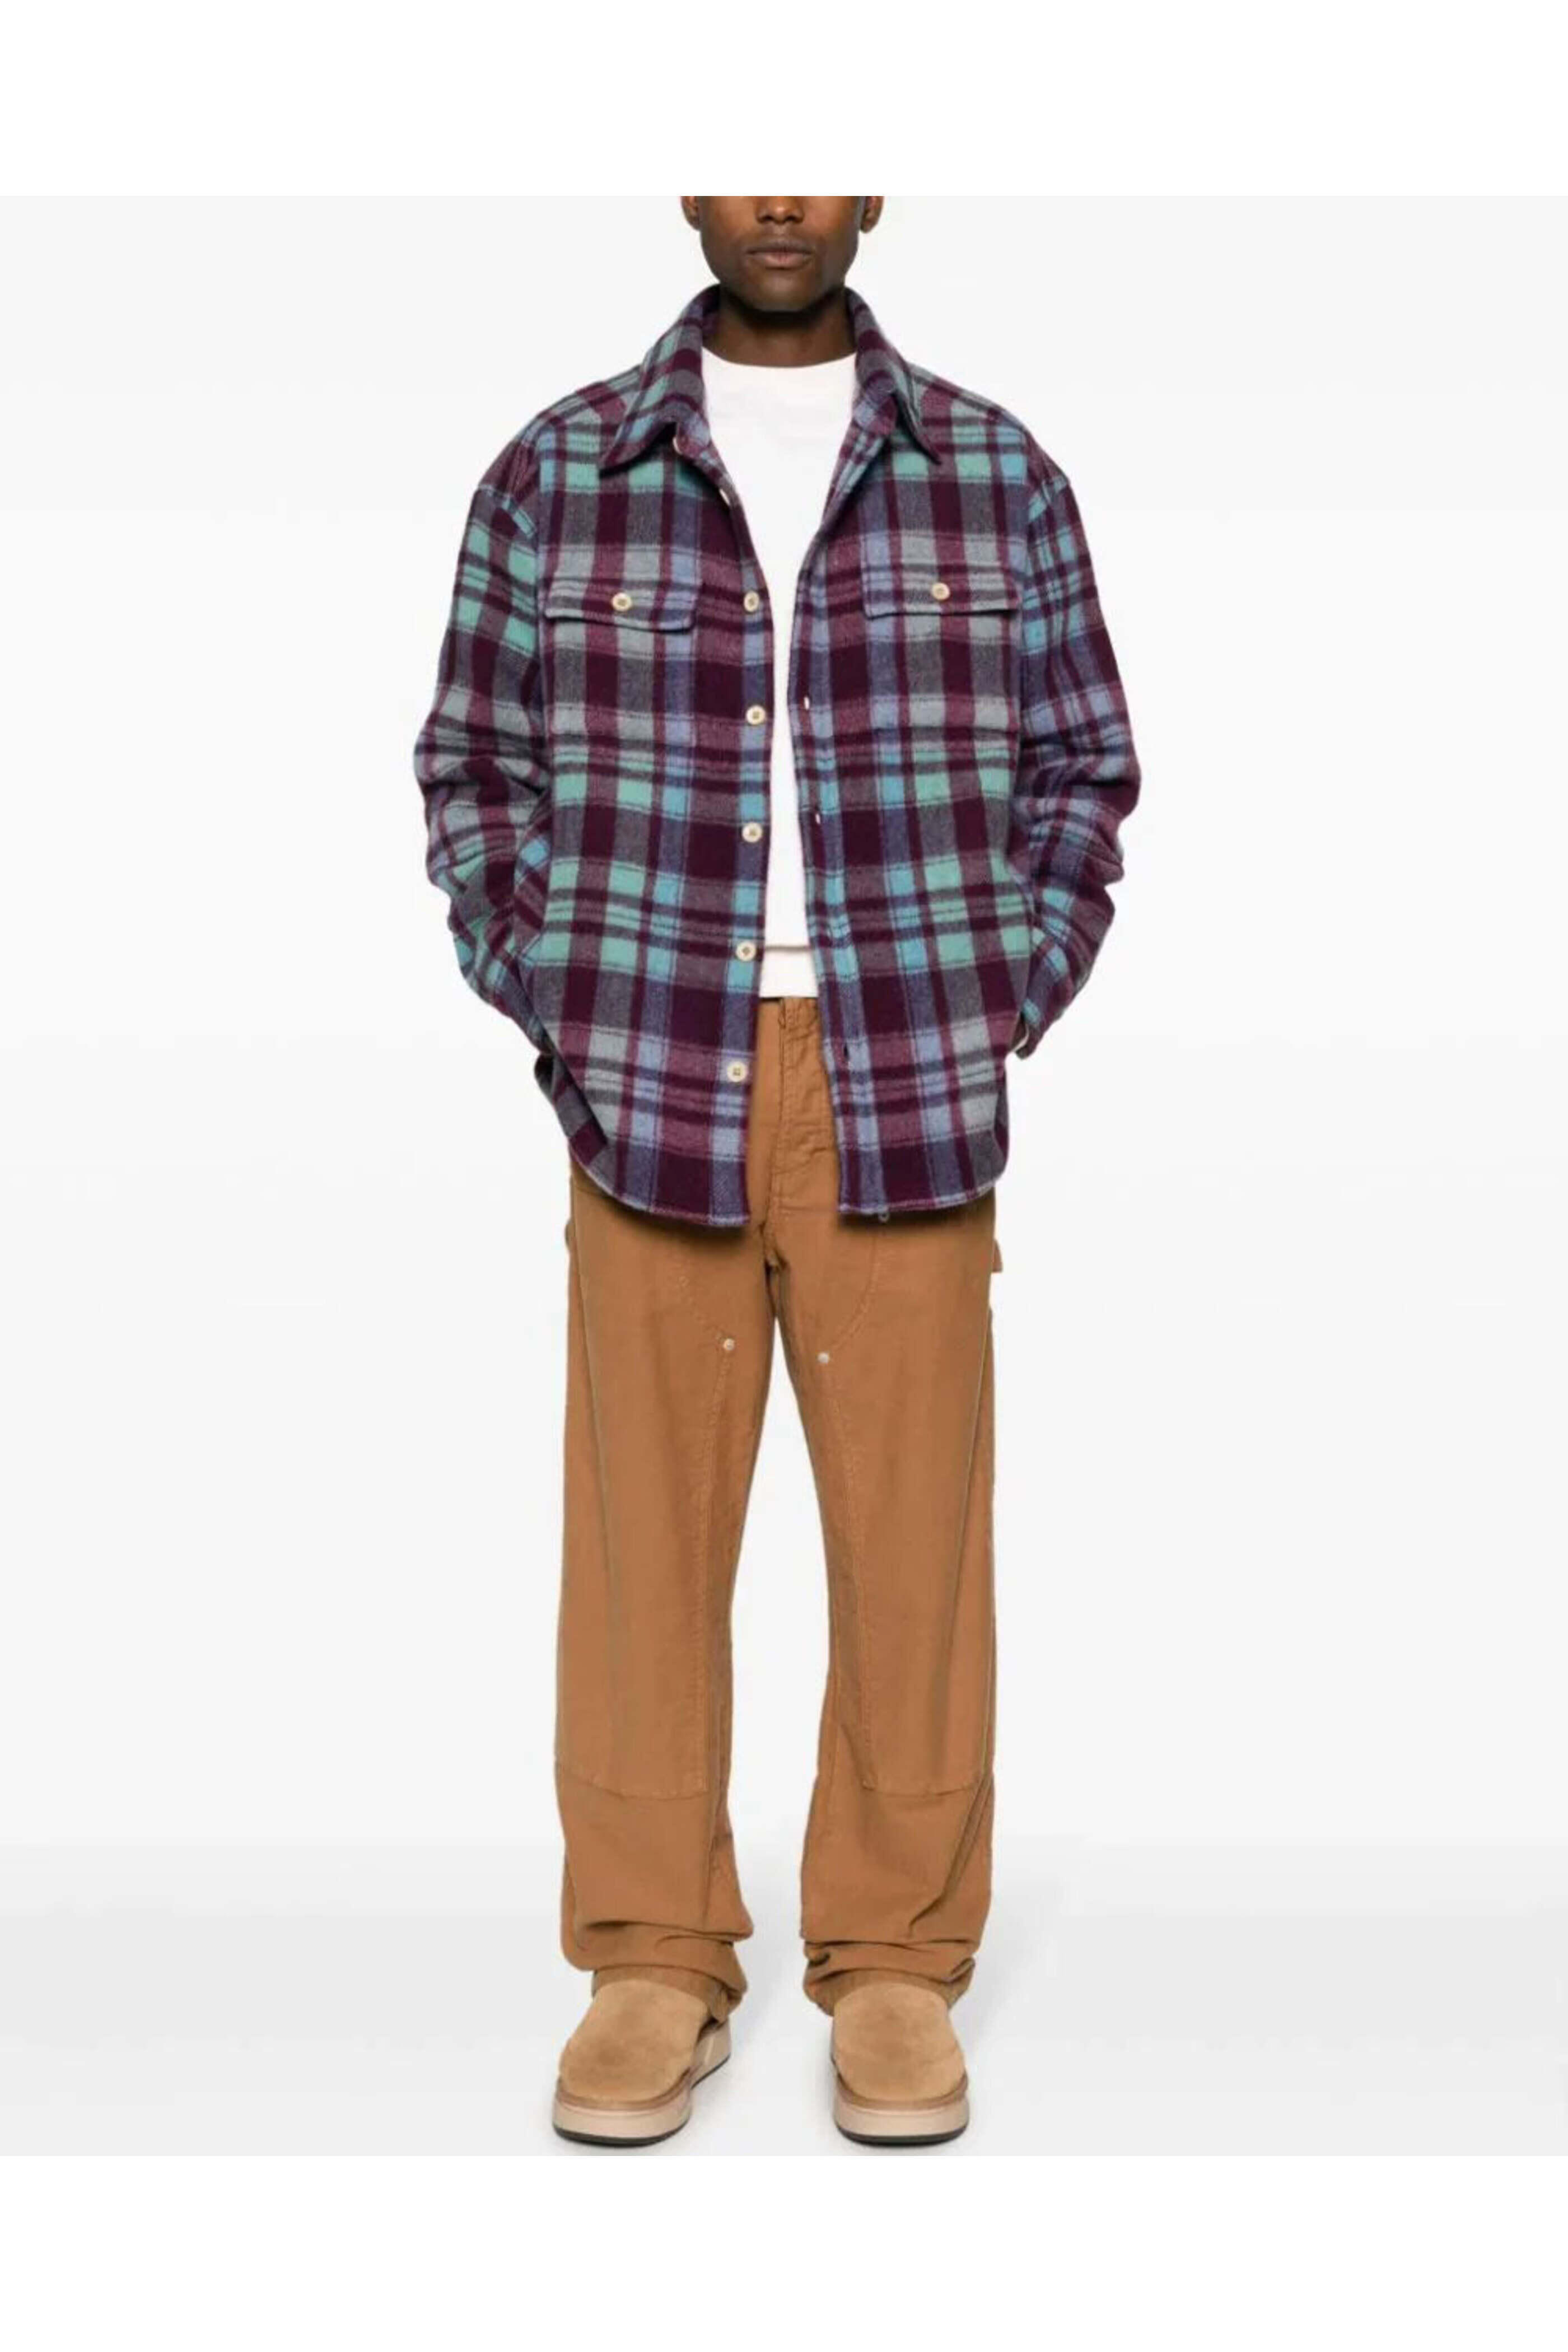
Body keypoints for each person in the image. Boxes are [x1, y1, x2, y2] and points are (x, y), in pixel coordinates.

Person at [413, 196, 1140, 2146]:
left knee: (916, 1546)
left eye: (822, 154)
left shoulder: (994, 471)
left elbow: (1083, 770)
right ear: (685, 183)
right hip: (652, 1072)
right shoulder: (561, 471)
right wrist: (562, 1000)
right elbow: (472, 764)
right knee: (641, 1543)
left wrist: (1000, 995)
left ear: (878, 186)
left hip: (902, 1075)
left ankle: (895, 1959)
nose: (784, 198)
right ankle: (653, 1954)